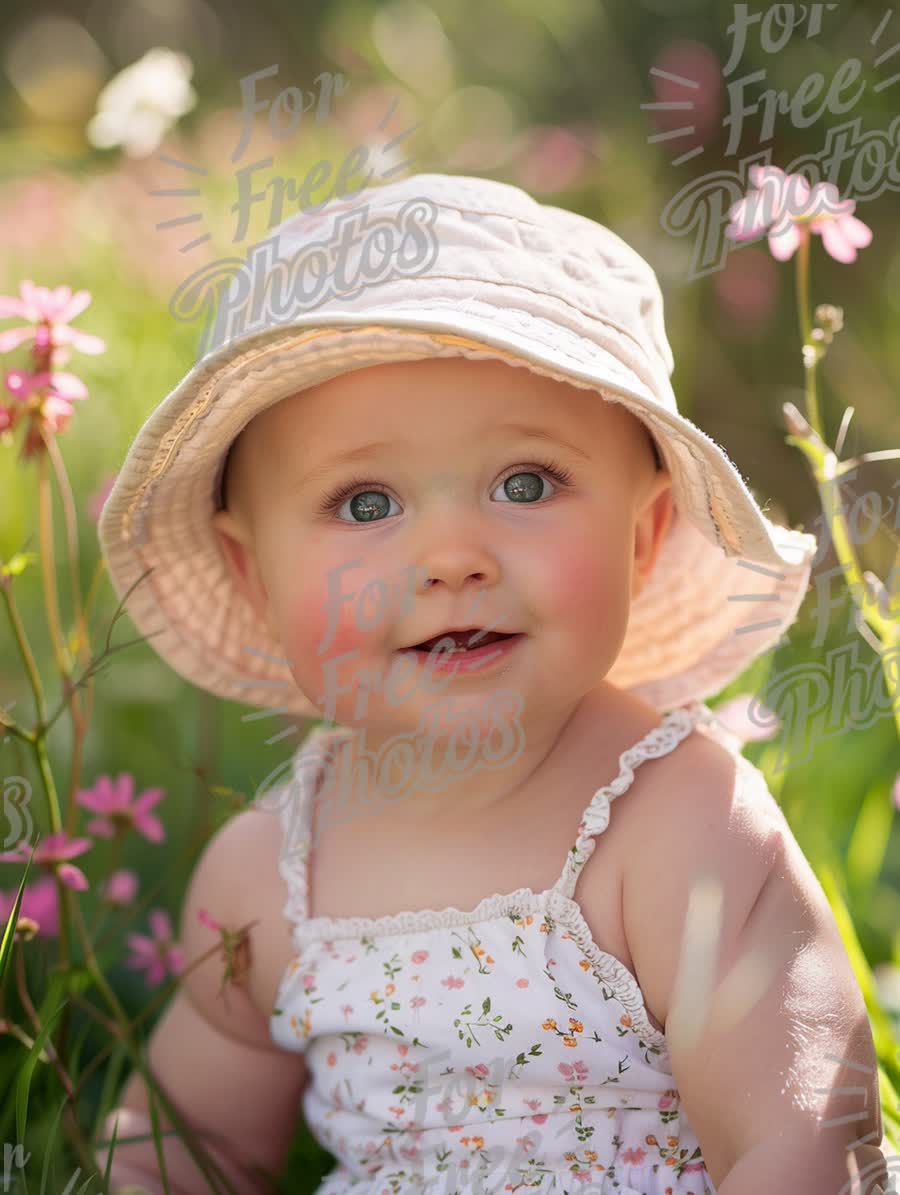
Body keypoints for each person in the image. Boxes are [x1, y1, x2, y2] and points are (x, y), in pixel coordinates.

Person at [95, 173, 891, 1195]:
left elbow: (807, 1140)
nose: (452, 555)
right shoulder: (264, 877)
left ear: (641, 537)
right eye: (365, 499)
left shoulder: (681, 821)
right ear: (253, 573)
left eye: (526, 483)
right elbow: (181, 1145)